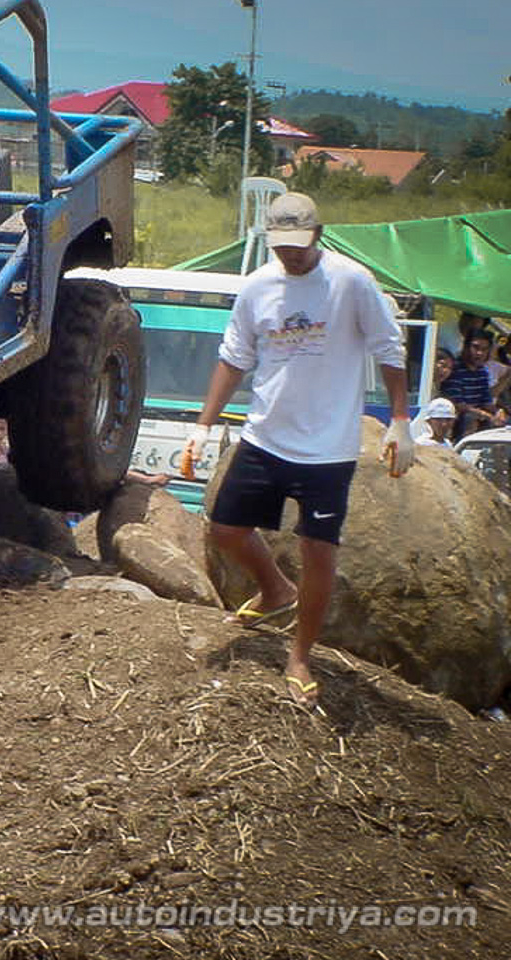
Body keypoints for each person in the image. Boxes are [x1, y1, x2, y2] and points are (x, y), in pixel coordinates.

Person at [181, 192, 414, 710]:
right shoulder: (258, 287)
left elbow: (388, 347)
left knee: (319, 552)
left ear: (318, 235)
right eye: (281, 245)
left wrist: (401, 421)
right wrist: (202, 425)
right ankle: (274, 589)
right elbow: (233, 358)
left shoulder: (351, 282)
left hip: (328, 448)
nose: (290, 254)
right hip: (266, 435)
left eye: (298, 245)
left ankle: (300, 656)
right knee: (225, 529)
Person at [441, 328, 505, 440]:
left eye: (484, 349)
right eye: (475, 347)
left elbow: (486, 402)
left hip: (478, 415)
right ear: (466, 347)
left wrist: (498, 412)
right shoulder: (455, 369)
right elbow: (459, 405)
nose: (479, 353)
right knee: (470, 418)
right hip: (458, 417)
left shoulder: (482, 372)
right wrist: (485, 415)